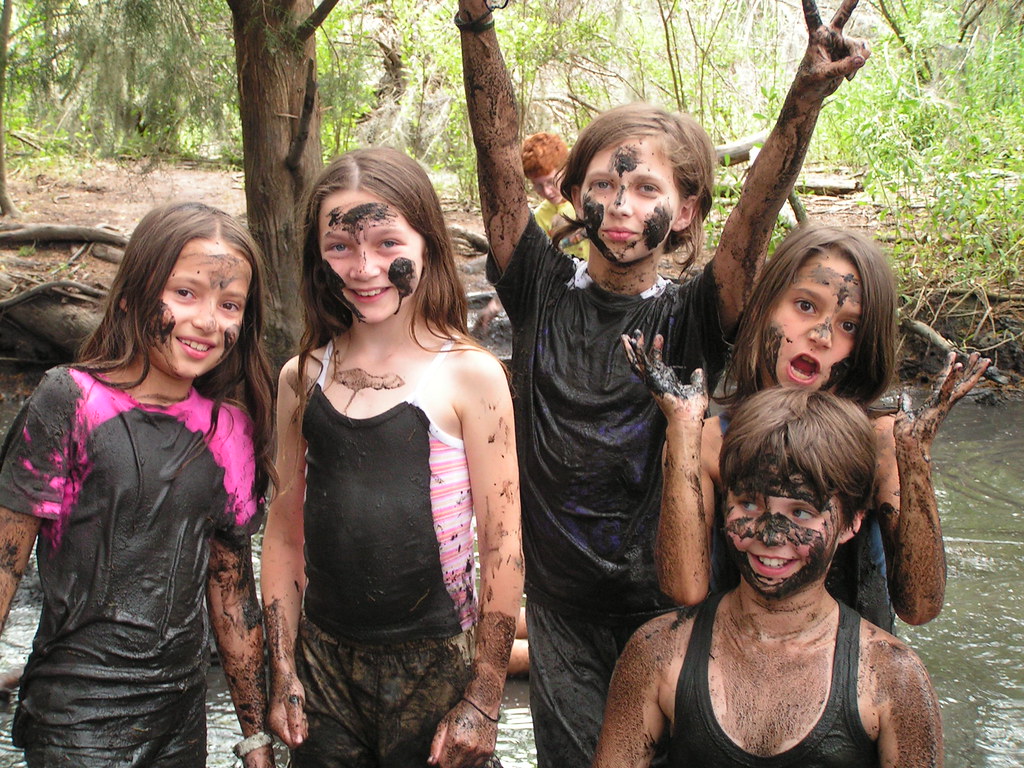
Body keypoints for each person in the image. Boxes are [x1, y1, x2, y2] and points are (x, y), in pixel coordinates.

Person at [457, 0, 870, 761]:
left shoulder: (693, 317)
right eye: (607, 186)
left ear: (684, 214)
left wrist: (803, 100)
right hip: (561, 613)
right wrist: (477, 27)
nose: (621, 207)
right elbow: (495, 153)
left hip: (674, 609)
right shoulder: (540, 289)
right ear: (573, 195)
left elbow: (757, 212)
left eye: (648, 191)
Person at [259, 147, 524, 768]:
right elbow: (282, 534)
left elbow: (503, 542)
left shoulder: (470, 376)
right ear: (316, 256)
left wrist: (484, 697)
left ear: (426, 242)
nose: (364, 267)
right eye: (341, 247)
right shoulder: (302, 378)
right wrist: (283, 670)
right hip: (324, 665)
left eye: (386, 243)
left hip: (437, 663)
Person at [0, 202, 277, 767]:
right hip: (74, 719)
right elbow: (5, 564)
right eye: (185, 294)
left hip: (179, 721)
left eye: (229, 305)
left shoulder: (230, 433)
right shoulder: (71, 400)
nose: (207, 321)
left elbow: (232, 596)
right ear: (132, 294)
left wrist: (255, 740)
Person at [624, 224, 990, 630]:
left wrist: (915, 456)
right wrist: (680, 429)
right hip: (731, 663)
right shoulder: (712, 440)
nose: (820, 335)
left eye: (849, 326)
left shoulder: (881, 443)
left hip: (854, 674)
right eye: (805, 306)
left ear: (865, 346)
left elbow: (919, 607)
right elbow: (684, 590)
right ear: (764, 305)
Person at [593, 387, 944, 768]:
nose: (771, 536)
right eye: (749, 504)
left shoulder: (892, 677)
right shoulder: (657, 652)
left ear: (852, 522)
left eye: (801, 512)